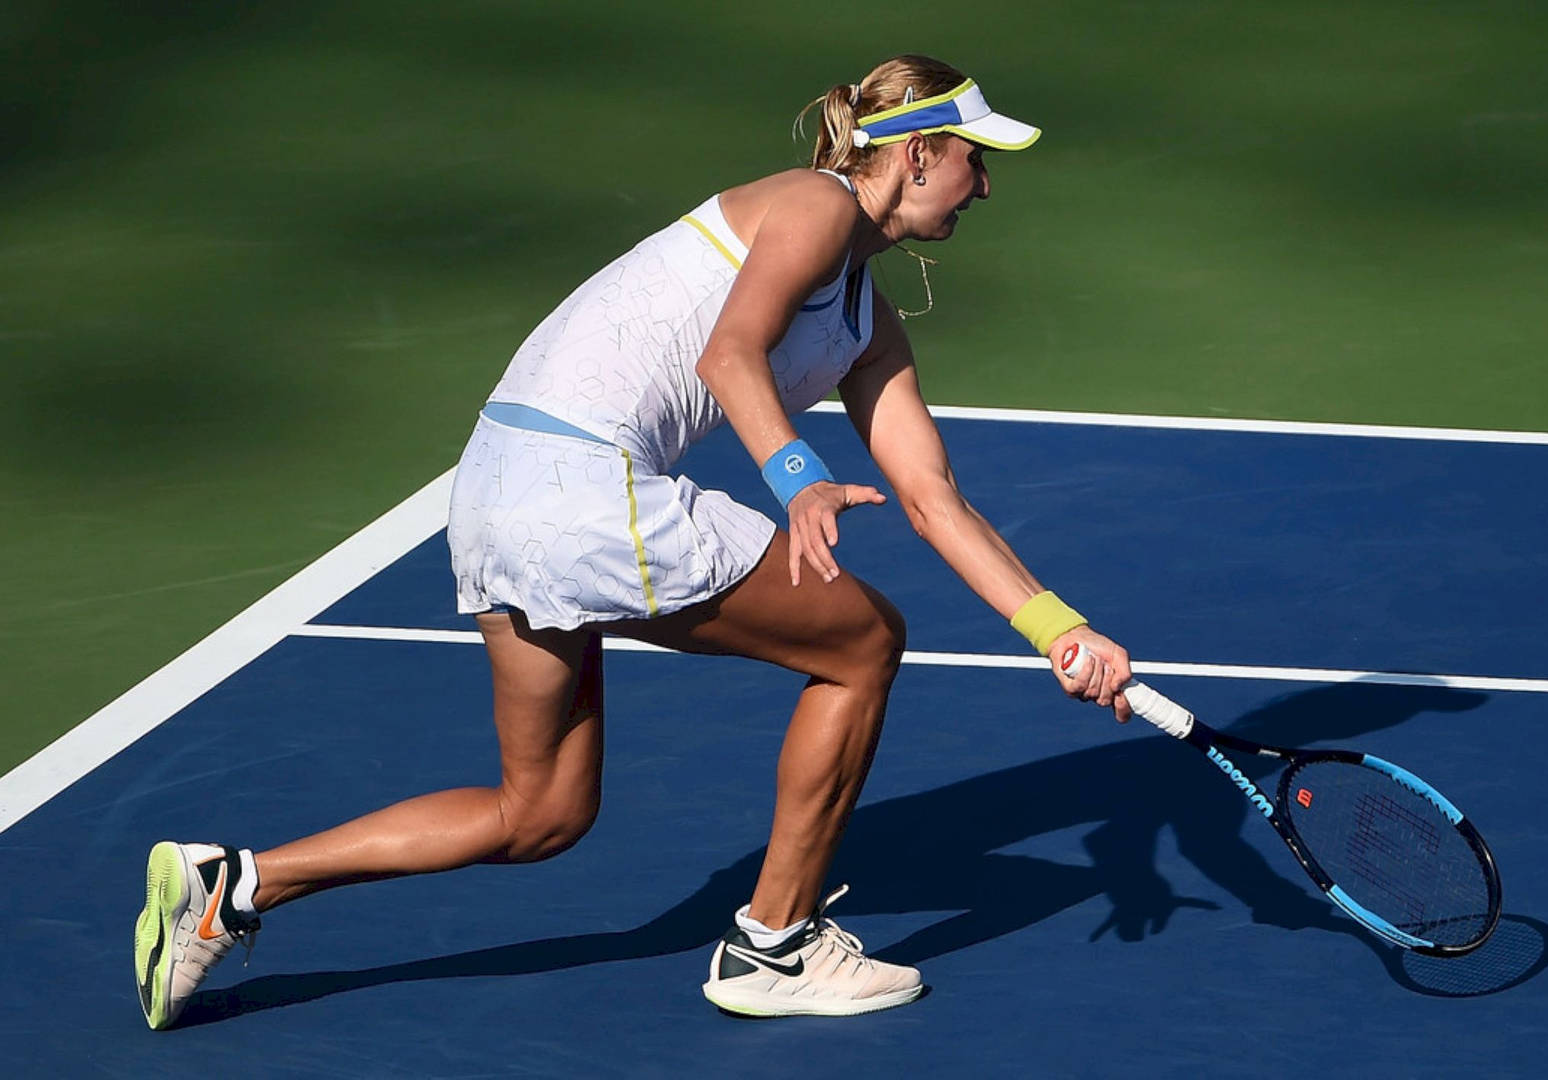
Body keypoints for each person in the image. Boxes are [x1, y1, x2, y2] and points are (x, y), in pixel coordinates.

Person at [133, 54, 1137, 1028]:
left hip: (495, 490)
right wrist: (797, 479)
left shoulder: (866, 321)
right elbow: (730, 351)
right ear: (917, 155)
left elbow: (934, 500)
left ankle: (237, 885)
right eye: (974, 157)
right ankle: (776, 946)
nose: (985, 186)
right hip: (581, 486)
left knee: (541, 815)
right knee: (864, 643)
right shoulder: (815, 205)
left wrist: (1058, 628)